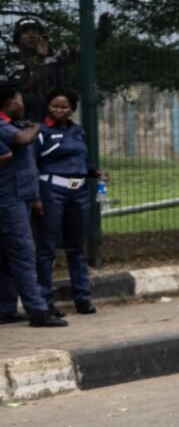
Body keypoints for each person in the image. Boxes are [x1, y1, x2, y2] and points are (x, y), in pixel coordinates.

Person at [0, 86, 68, 326]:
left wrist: (36, 198)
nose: (23, 105)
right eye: (19, 101)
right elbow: (21, 140)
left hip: (22, 195)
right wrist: (36, 127)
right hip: (9, 198)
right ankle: (37, 311)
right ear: (9, 103)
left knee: (8, 258)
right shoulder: (5, 124)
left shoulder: (14, 124)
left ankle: (6, 308)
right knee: (23, 253)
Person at [33, 89, 102, 314]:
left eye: (64, 107)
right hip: (51, 190)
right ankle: (45, 301)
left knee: (76, 248)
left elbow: (80, 161)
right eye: (54, 106)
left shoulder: (77, 131)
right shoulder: (40, 131)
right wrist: (36, 197)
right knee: (47, 248)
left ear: (72, 109)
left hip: (79, 192)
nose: (59, 110)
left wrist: (95, 172)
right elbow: (31, 165)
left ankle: (83, 298)